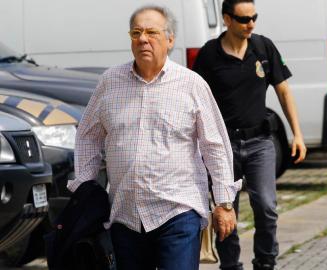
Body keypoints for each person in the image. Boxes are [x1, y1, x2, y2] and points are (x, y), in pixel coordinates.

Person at [67, 5, 242, 270]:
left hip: (177, 212)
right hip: (125, 214)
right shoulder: (109, 82)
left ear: (170, 40)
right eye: (136, 32)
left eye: (151, 32)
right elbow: (87, 135)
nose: (142, 39)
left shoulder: (191, 84)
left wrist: (224, 202)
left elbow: (214, 145)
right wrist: (85, 188)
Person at [193, 0, 307, 269]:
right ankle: (231, 265)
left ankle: (265, 263)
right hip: (223, 146)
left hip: (260, 143)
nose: (251, 24)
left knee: (267, 207)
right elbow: (195, 101)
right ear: (227, 19)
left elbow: (283, 92)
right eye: (244, 19)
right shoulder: (209, 55)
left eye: (254, 17)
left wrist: (297, 134)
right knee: (226, 211)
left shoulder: (263, 47)